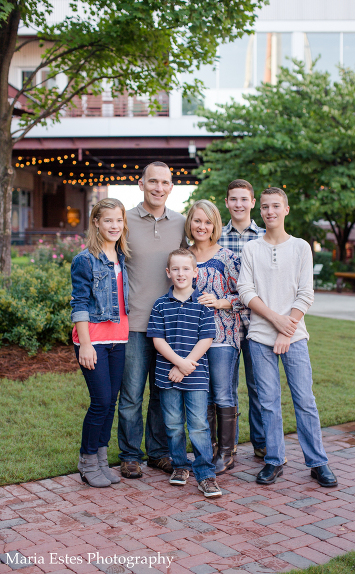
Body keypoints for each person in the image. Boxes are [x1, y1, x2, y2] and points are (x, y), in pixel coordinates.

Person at [237, 187, 337, 487]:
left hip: (295, 337)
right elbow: (245, 291)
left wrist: (287, 328)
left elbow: (306, 293)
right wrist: (276, 321)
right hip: (259, 336)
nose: (270, 211)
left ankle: (318, 462)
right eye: (265, 207)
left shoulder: (301, 247)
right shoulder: (251, 249)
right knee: (267, 401)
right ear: (260, 211)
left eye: (276, 206)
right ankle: (273, 460)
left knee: (305, 400)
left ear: (286, 209)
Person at [117, 161, 186, 479]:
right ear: (141, 184)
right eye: (153, 181)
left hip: (169, 325)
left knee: (161, 392)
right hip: (133, 323)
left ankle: (158, 453)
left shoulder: (181, 224)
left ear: (172, 186)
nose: (159, 187)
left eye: (165, 182)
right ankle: (130, 455)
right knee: (131, 393)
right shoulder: (125, 221)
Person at [147, 249, 221, 498]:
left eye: (186, 269)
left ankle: (206, 474)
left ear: (195, 272)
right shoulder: (160, 305)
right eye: (175, 269)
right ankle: (179, 465)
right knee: (174, 424)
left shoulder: (202, 305)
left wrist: (186, 364)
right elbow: (157, 340)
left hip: (196, 375)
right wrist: (178, 364)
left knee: (199, 425)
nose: (181, 273)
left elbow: (207, 338)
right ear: (168, 273)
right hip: (167, 376)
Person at [70, 198, 131, 488]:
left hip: (119, 339)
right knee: (100, 401)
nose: (114, 226)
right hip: (93, 341)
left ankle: (102, 461)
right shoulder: (85, 259)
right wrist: (84, 344)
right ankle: (86, 460)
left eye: (119, 220)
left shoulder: (122, 257)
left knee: (111, 404)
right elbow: (79, 303)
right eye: (108, 220)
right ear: (96, 222)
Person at [186, 199, 243, 474]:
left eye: (208, 222)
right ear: (190, 222)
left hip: (222, 336)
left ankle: (227, 452)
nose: (202, 226)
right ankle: (206, 448)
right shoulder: (182, 257)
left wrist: (219, 302)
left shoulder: (228, 258)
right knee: (202, 395)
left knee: (222, 393)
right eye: (198, 220)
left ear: (215, 226)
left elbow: (245, 297)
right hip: (191, 339)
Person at [219, 179, 266, 459]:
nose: (238, 204)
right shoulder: (214, 235)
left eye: (243, 199)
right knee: (226, 387)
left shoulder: (264, 236)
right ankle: (229, 445)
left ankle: (261, 444)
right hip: (223, 324)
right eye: (233, 199)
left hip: (256, 321)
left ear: (252, 203)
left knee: (259, 385)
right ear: (227, 203)